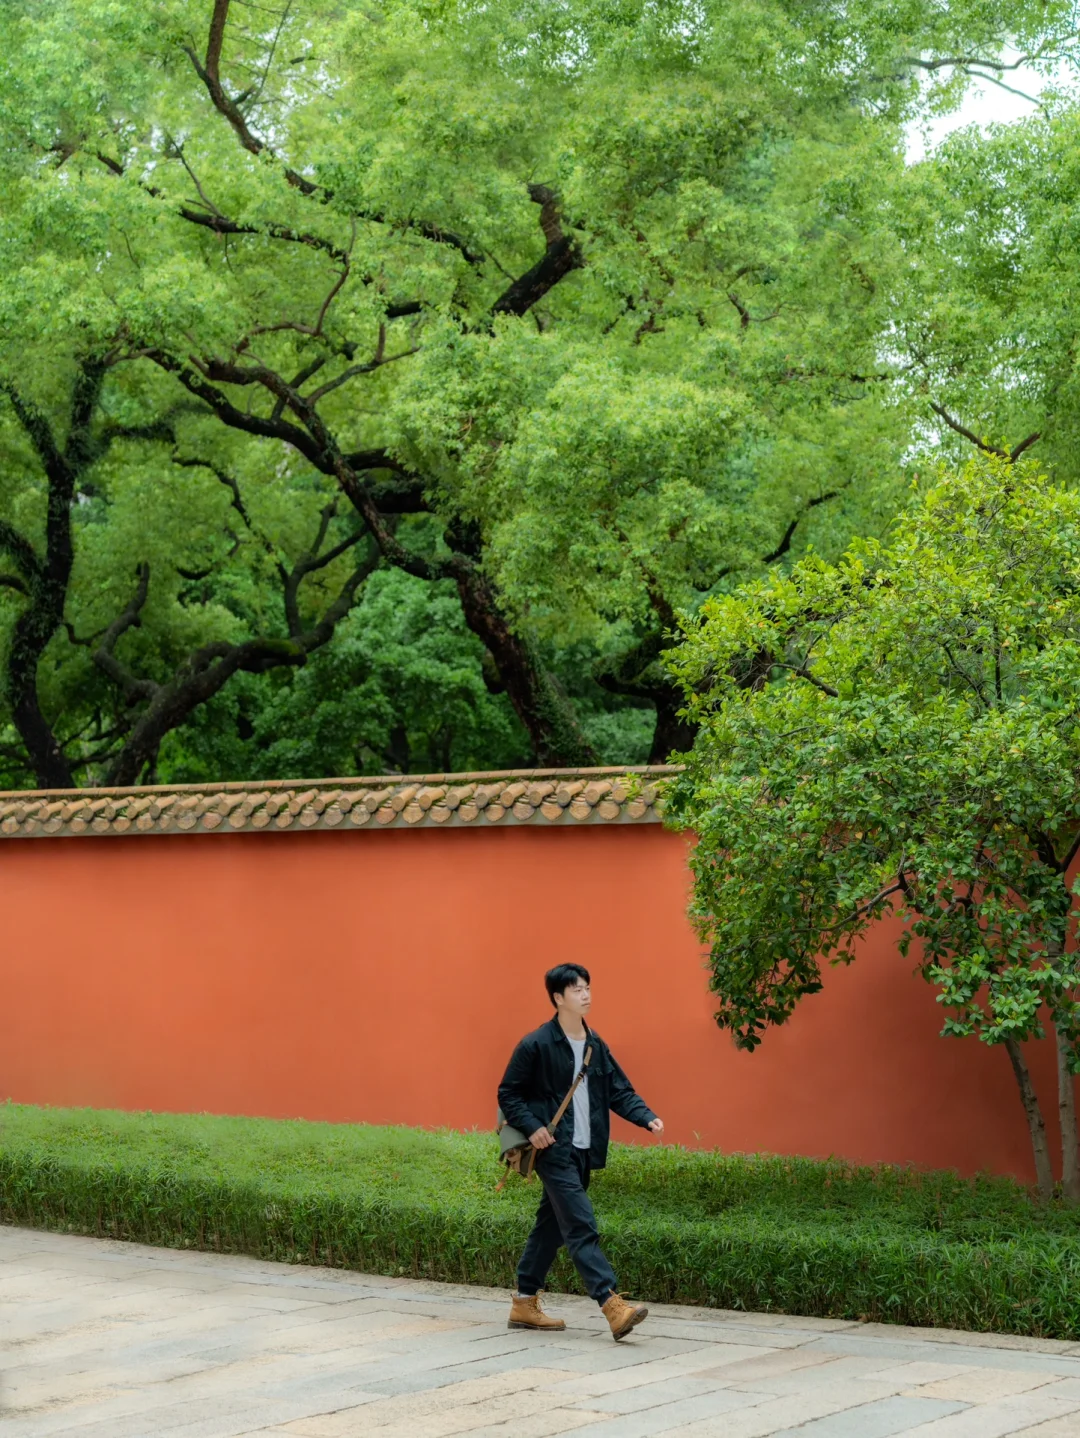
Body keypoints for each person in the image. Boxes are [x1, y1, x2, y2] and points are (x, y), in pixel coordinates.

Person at [497, 962, 664, 1340]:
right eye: (577, 989)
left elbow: (618, 1089)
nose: (586, 995)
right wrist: (534, 1127)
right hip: (554, 1150)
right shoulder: (536, 1044)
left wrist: (645, 1116)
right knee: (579, 1223)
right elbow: (509, 1093)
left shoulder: (595, 1044)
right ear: (558, 998)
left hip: (585, 1150)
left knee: (550, 1226)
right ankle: (612, 1304)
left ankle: (524, 1303)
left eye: (587, 987)